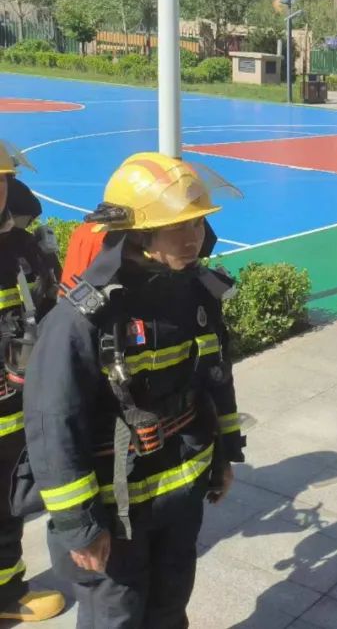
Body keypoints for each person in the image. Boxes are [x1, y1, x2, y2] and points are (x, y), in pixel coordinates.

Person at [20, 152, 247, 628]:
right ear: (140, 234)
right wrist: (80, 526)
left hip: (180, 500)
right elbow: (53, 424)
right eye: (177, 227)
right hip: (115, 517)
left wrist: (225, 453)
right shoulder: (82, 320)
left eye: (197, 223)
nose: (193, 237)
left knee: (170, 608)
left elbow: (215, 378)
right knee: (117, 617)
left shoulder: (196, 294)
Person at [0, 143, 66, 623]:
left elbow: (48, 315)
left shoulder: (22, 249)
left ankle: (5, 595)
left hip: (12, 414)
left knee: (7, 507)